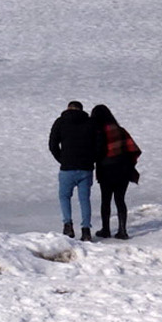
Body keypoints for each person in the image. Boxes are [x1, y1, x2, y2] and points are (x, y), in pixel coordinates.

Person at [49, 100, 98, 242]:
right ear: (81, 109)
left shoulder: (60, 122)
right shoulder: (90, 123)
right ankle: (86, 230)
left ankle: (68, 225)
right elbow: (98, 144)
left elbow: (52, 144)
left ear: (68, 108)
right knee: (84, 199)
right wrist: (91, 160)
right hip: (85, 168)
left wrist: (62, 159)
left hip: (67, 168)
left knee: (64, 197)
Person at [91, 104, 141, 239]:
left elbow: (96, 152)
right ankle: (122, 230)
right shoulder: (120, 130)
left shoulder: (97, 132)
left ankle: (106, 230)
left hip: (106, 170)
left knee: (105, 200)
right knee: (120, 200)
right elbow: (134, 149)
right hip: (123, 169)